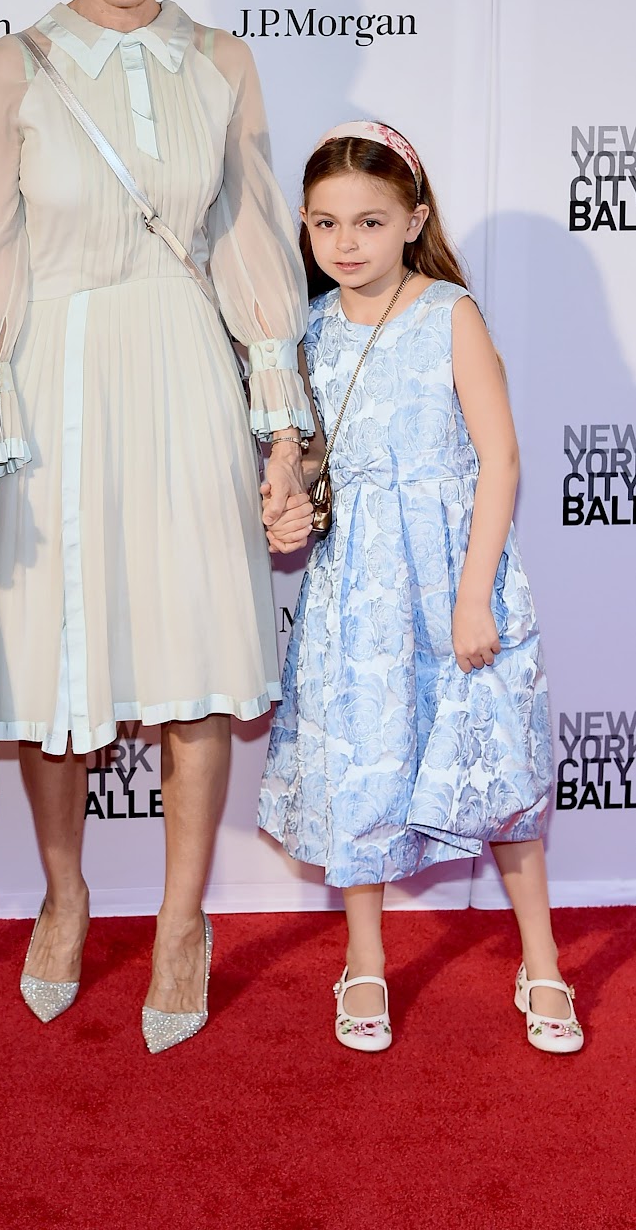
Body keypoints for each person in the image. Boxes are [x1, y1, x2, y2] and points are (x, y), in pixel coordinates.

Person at [0, 0, 312, 1053]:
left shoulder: (223, 64)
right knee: (55, 666)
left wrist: (282, 428)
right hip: (52, 378)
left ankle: (185, 918)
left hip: (184, 371)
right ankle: (66, 893)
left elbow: (255, 246)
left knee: (198, 655)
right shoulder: (12, 68)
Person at [259, 121, 582, 1055]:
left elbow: (501, 457)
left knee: (504, 777)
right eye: (324, 224)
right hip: (355, 592)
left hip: (453, 574)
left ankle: (543, 961)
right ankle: (363, 958)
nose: (345, 243)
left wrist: (473, 592)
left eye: (368, 220)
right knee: (362, 765)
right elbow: (308, 465)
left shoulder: (449, 312)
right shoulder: (306, 332)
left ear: (414, 220)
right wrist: (286, 501)